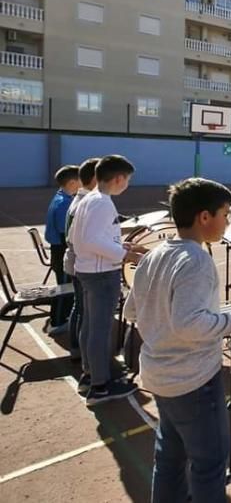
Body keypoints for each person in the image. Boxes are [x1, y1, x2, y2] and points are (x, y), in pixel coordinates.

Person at [123, 178, 231, 501]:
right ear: (204, 217)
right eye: (225, 213)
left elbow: (131, 311)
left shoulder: (154, 256)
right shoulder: (196, 260)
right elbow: (188, 324)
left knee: (169, 457)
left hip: (160, 376)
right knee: (209, 465)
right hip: (192, 381)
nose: (227, 221)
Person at [70, 154, 143, 406]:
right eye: (128, 180)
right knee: (100, 330)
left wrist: (119, 244)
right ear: (119, 178)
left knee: (90, 326)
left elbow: (85, 237)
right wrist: (125, 254)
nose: (128, 184)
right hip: (101, 274)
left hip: (89, 271)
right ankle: (100, 387)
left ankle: (90, 375)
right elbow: (91, 240)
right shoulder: (102, 203)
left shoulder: (89, 199)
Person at [64, 157, 100, 360]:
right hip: (81, 265)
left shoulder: (80, 200)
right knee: (83, 310)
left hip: (77, 263)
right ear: (96, 178)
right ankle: (80, 351)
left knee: (80, 307)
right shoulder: (85, 204)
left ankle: (77, 348)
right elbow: (84, 240)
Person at [44, 165, 80, 334]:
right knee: (65, 288)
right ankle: (57, 322)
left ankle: (59, 317)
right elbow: (65, 234)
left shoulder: (62, 198)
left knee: (65, 286)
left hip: (58, 250)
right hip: (61, 251)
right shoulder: (64, 204)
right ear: (73, 182)